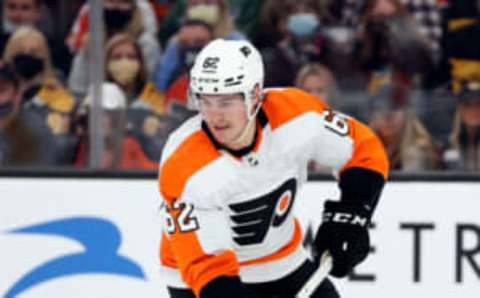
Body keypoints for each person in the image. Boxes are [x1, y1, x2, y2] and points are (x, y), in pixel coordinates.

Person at [157, 39, 389, 298]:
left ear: (255, 95)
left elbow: (363, 149)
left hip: (279, 262)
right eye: (206, 101)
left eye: (226, 102)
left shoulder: (296, 115)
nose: (214, 116)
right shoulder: (184, 164)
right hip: (199, 281)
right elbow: (209, 272)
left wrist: (352, 213)